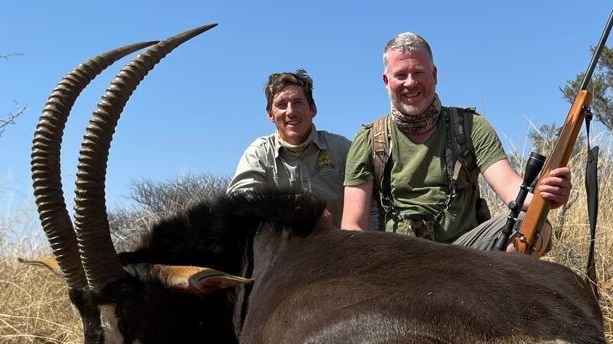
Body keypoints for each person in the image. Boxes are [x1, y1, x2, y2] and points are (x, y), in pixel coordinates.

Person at [341, 32, 572, 251]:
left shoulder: (471, 126)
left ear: (434, 75)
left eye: (419, 72)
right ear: (386, 81)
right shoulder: (368, 139)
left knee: (535, 226)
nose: (410, 83)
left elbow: (511, 189)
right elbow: (353, 227)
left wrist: (546, 196)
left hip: (466, 257)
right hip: (399, 260)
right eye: (401, 75)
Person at [227, 69, 350, 227]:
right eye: (281, 105)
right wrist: (294, 205)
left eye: (298, 102)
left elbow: (372, 205)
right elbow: (238, 202)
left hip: (337, 247)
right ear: (270, 115)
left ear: (313, 109)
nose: (290, 112)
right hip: (280, 250)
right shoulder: (258, 152)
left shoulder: (341, 148)